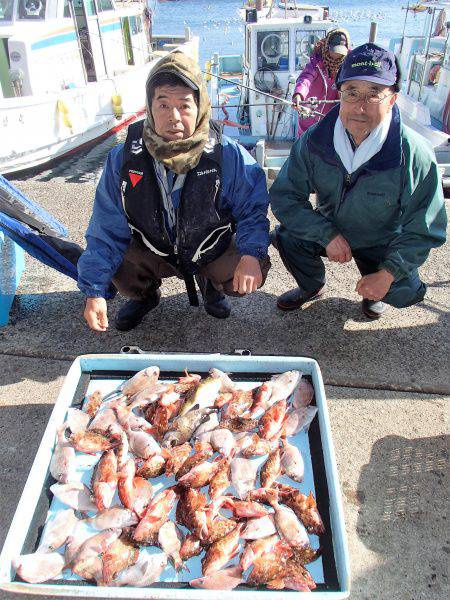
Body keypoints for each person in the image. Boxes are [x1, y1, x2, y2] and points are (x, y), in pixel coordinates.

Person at [78, 51, 271, 332]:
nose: (174, 117)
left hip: (209, 248)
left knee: (252, 263)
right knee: (117, 259)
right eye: (163, 105)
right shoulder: (123, 159)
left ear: (200, 107)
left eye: (184, 105)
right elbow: (105, 227)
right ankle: (145, 295)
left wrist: (251, 254)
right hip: (153, 248)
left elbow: (253, 211)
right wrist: (94, 290)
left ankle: (211, 285)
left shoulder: (229, 155)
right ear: (149, 107)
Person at [270, 43, 447, 320]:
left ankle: (376, 289)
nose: (359, 107)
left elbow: (425, 228)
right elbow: (285, 197)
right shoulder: (314, 141)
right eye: (351, 93)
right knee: (287, 236)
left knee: (406, 291)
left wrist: (388, 274)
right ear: (339, 93)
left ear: (392, 99)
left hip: (381, 240)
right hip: (329, 227)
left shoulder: (415, 154)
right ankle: (311, 285)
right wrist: (325, 234)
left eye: (373, 94)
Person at [293, 28, 350, 136]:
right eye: (334, 51)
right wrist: (298, 94)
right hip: (309, 120)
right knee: (305, 147)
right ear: (327, 47)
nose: (336, 55)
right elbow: (305, 78)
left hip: (333, 122)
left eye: (340, 52)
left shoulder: (348, 66)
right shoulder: (315, 64)